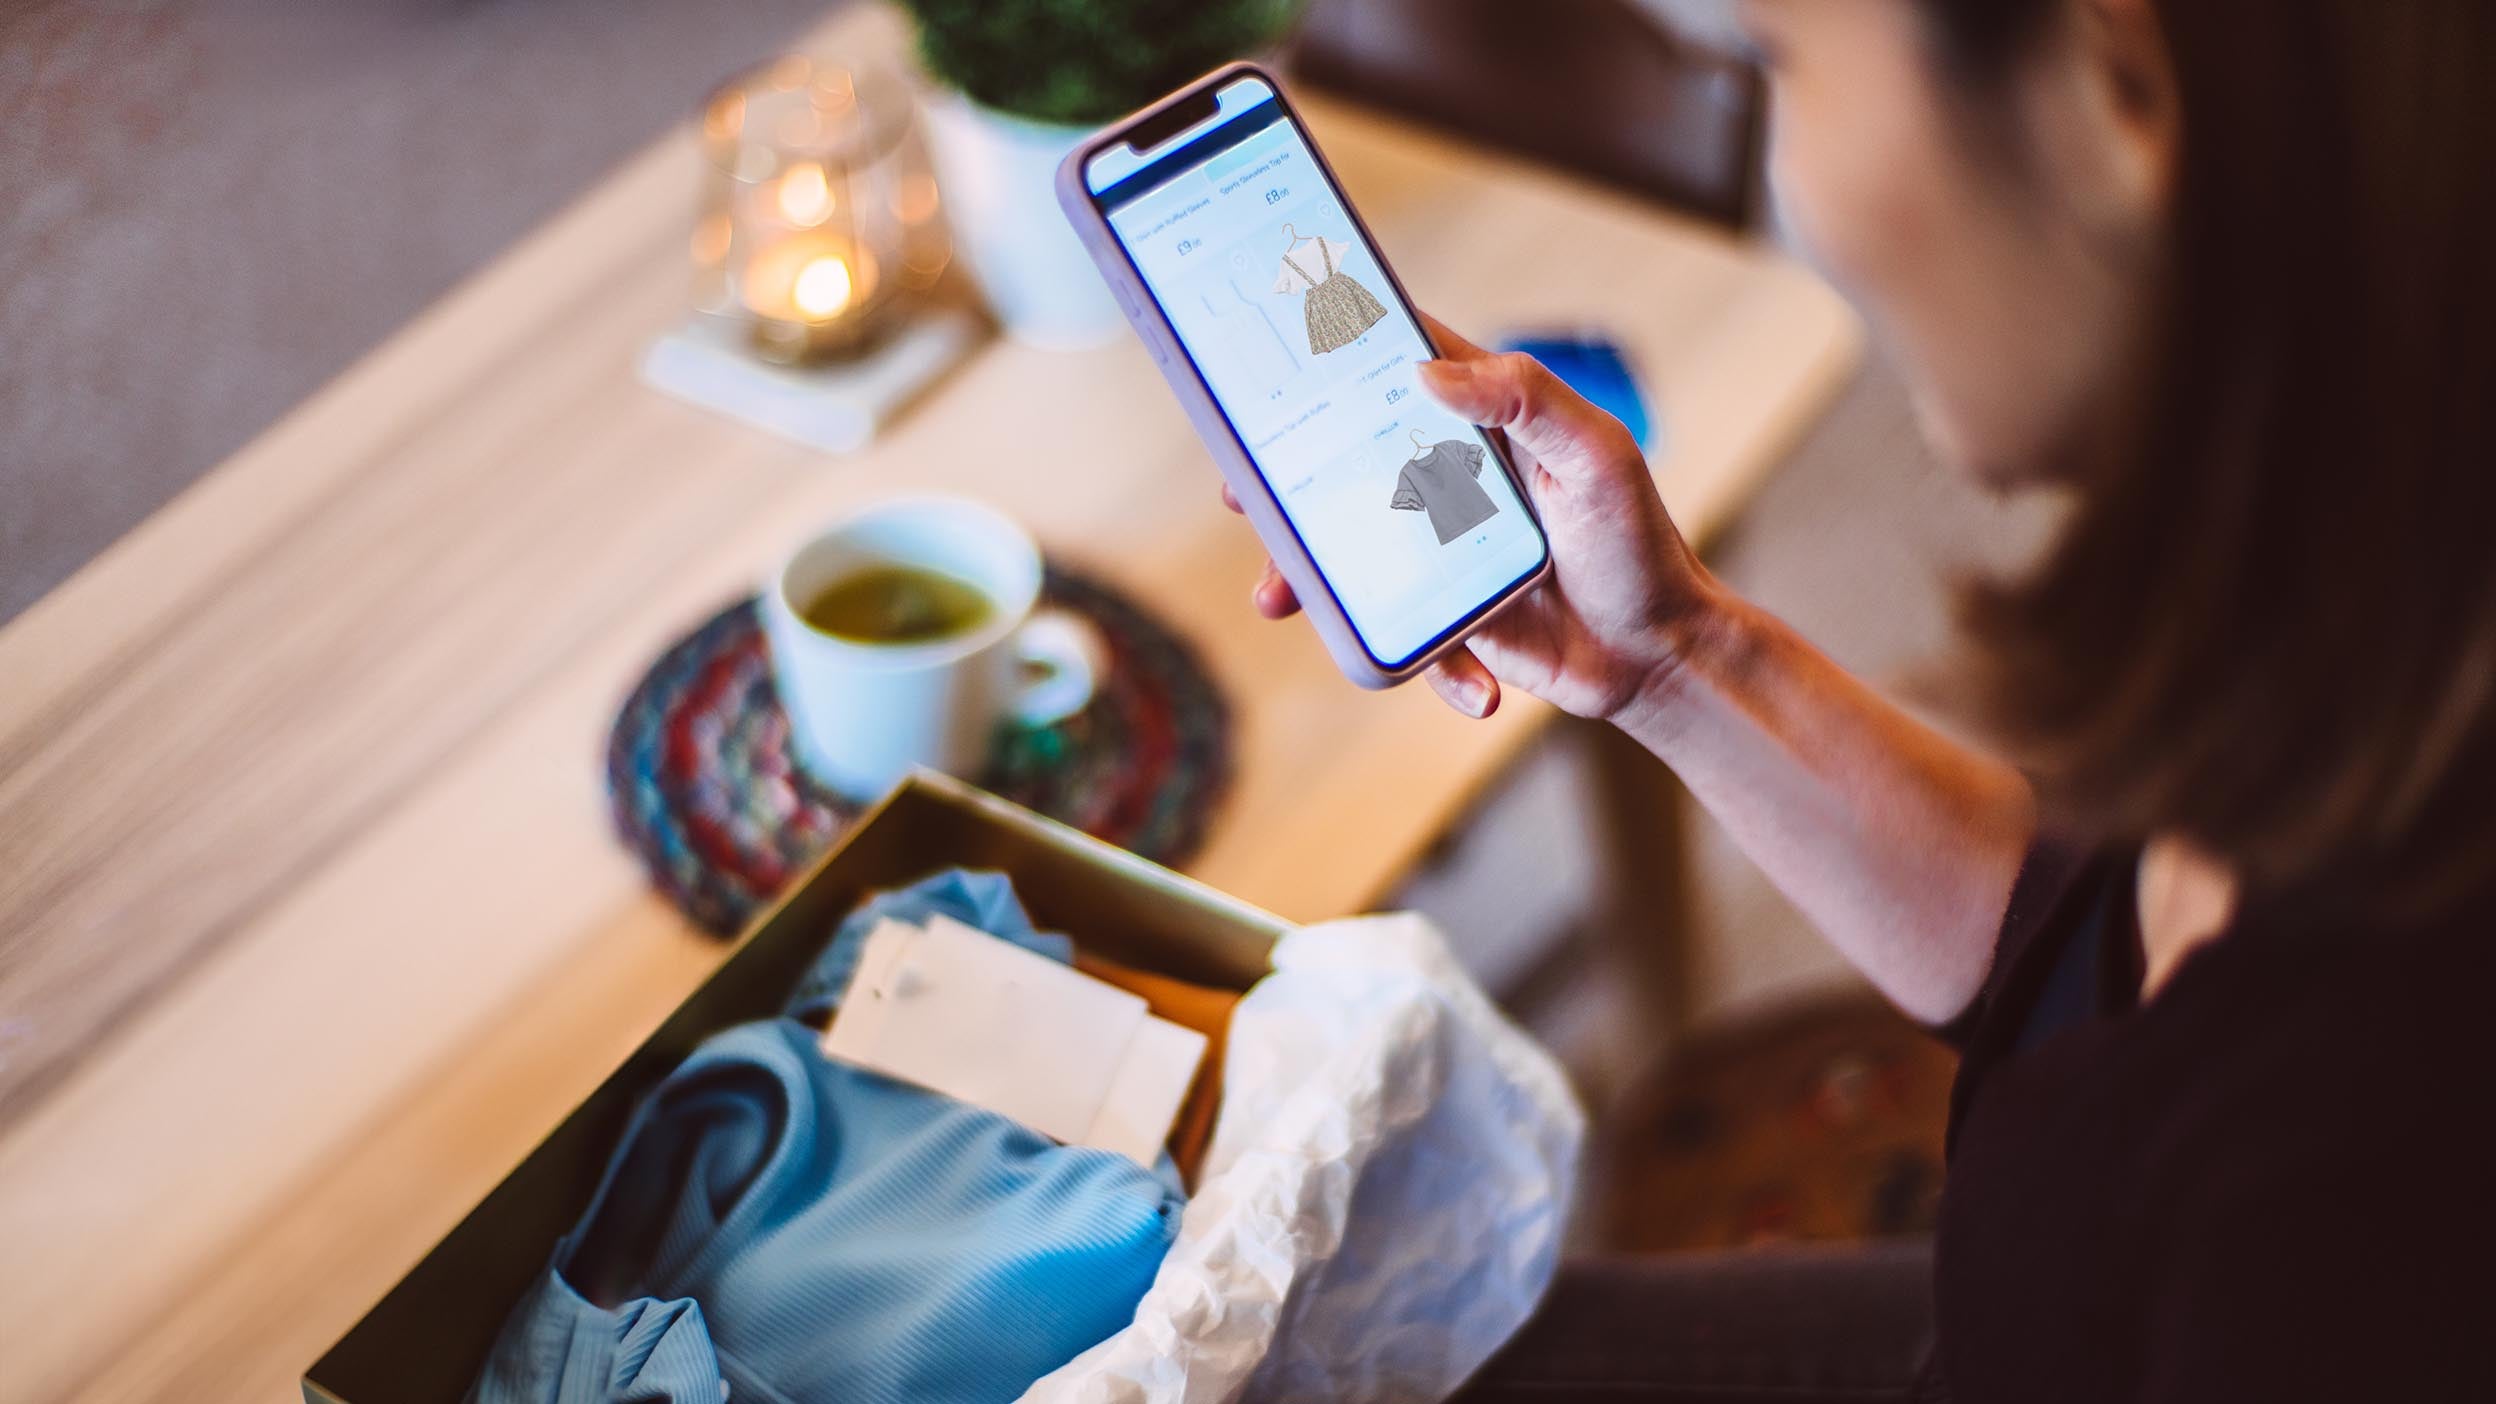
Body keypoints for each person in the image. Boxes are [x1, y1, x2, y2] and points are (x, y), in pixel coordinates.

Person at [1234, 0, 2496, 1398]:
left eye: (1783, 64)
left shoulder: (2352, 1194)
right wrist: (1676, 654)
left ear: (2114, 90)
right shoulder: (2352, 640)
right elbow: (2082, 957)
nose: (1799, 191)